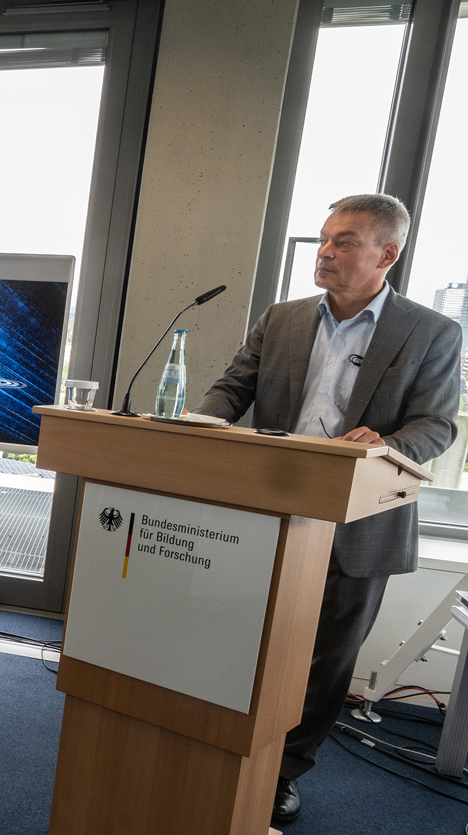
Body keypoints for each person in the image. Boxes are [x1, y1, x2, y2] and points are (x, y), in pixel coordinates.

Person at [191, 194, 463, 823]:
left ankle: (285, 771)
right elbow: (236, 385)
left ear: (386, 254)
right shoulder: (282, 318)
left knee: (326, 658)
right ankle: (230, 748)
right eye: (324, 239)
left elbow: (437, 426)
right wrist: (201, 424)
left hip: (362, 519)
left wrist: (386, 445)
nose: (326, 252)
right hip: (269, 506)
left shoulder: (432, 332)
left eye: (345, 242)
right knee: (248, 639)